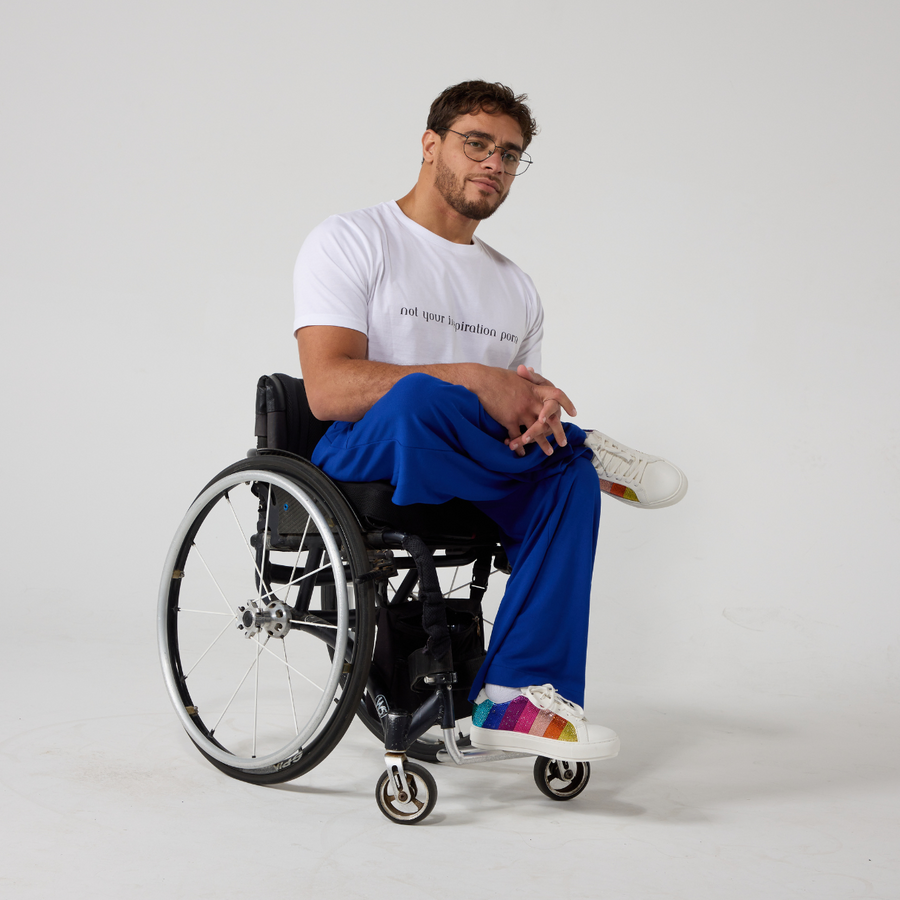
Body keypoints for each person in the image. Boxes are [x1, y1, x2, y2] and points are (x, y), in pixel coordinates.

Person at [293, 80, 686, 763]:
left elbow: (514, 413)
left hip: (473, 471)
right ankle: (584, 448)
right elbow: (326, 389)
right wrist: (474, 378)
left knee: (566, 484)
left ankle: (519, 700)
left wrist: (534, 413)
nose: (494, 163)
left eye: (510, 153)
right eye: (477, 143)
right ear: (430, 144)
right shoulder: (353, 239)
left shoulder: (515, 286)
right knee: (422, 399)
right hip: (365, 456)